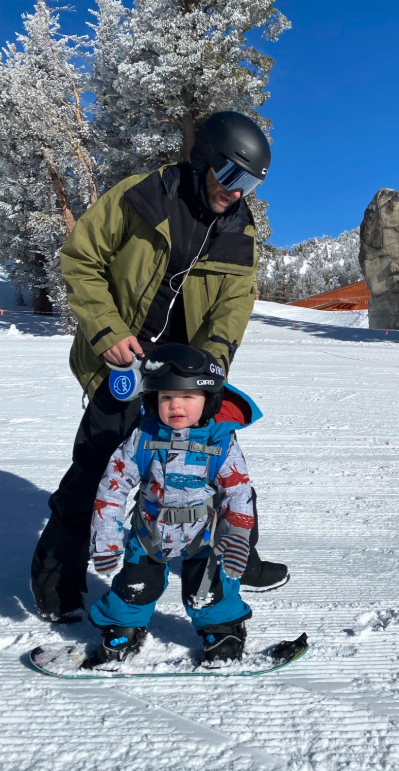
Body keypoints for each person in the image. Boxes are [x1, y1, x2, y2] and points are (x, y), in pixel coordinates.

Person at [31, 111, 288, 624]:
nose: (238, 193)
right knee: (98, 467)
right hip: (122, 363)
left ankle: (240, 561)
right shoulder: (142, 195)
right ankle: (58, 577)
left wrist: (211, 364)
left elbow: (234, 303)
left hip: (183, 378)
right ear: (205, 161)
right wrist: (106, 331)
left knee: (220, 468)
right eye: (233, 177)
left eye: (252, 184)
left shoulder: (239, 229)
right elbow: (80, 259)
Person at [83, 344, 258, 667]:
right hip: (149, 533)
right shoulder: (142, 438)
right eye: (166, 398)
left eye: (188, 397)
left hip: (202, 536)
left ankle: (222, 629)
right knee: (135, 585)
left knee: (208, 587)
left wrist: (236, 536)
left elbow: (238, 492)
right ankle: (123, 627)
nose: (175, 405)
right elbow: (112, 488)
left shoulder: (220, 442)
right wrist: (106, 539)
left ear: (209, 400)